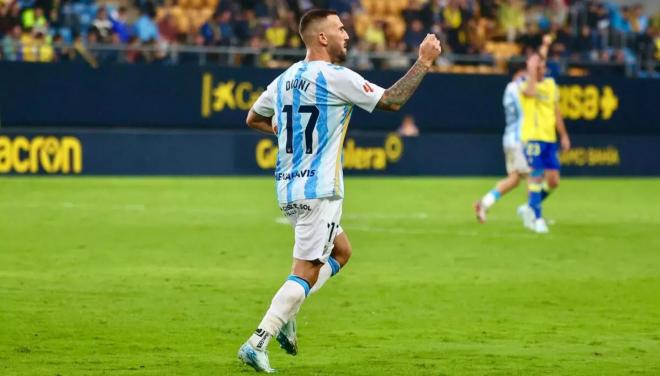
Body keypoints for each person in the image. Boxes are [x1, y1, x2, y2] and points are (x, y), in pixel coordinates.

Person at [239, 8, 441, 373]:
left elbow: (252, 118)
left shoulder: (285, 79)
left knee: (342, 252)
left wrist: (288, 134)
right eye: (340, 29)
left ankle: (287, 313)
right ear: (322, 38)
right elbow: (392, 100)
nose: (347, 35)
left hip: (288, 187)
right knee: (306, 271)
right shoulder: (335, 77)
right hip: (320, 191)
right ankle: (259, 340)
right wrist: (424, 62)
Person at [517, 52, 570, 233]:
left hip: (549, 138)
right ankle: (537, 218)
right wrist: (531, 71)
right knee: (536, 175)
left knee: (554, 180)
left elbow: (556, 112)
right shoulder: (523, 83)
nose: (541, 68)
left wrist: (563, 135)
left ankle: (530, 207)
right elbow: (530, 92)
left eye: (541, 66)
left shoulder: (551, 85)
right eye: (537, 66)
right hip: (532, 137)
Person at [474, 66, 528, 223]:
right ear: (519, 72)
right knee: (534, 175)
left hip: (509, 138)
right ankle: (533, 215)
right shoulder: (518, 86)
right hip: (519, 139)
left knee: (514, 179)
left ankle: (484, 203)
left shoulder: (508, 89)